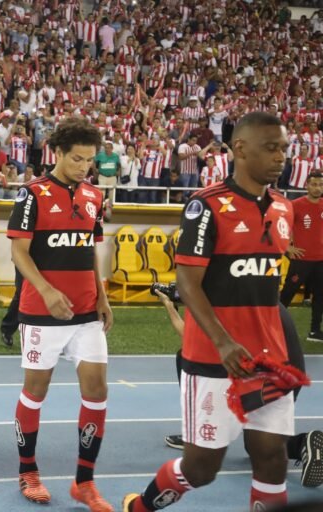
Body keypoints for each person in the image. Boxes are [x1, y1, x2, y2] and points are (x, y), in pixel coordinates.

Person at [122, 112, 297, 512]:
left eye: (284, 149)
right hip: (213, 361)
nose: (280, 157)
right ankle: (141, 507)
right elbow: (187, 283)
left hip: (269, 361)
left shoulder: (284, 209)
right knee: (202, 469)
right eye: (271, 148)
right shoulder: (206, 206)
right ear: (240, 149)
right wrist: (223, 342)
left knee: (272, 459)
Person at [6, 118, 113, 509]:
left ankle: (84, 481)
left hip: (86, 312)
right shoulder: (31, 194)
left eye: (89, 160)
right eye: (77, 159)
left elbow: (90, 251)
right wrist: (47, 290)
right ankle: (28, 471)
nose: (84, 166)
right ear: (58, 153)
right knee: (36, 392)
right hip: (40, 312)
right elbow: (19, 252)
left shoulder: (93, 196)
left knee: (97, 390)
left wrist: (102, 295)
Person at [154, 288, 323, 489]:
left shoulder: (231, 305)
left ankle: (198, 432)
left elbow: (192, 339)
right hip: (290, 371)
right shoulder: (267, 301)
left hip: (267, 373)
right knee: (264, 438)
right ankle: (305, 443)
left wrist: (170, 308)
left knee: (185, 356)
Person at [280, 172, 323, 342]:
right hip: (301, 260)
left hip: (320, 261)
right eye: (314, 184)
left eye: (320, 184)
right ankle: (274, 329)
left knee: (320, 296)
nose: (317, 188)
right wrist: (287, 247)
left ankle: (315, 331)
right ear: (307, 186)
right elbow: (280, 227)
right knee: (286, 296)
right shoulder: (295, 205)